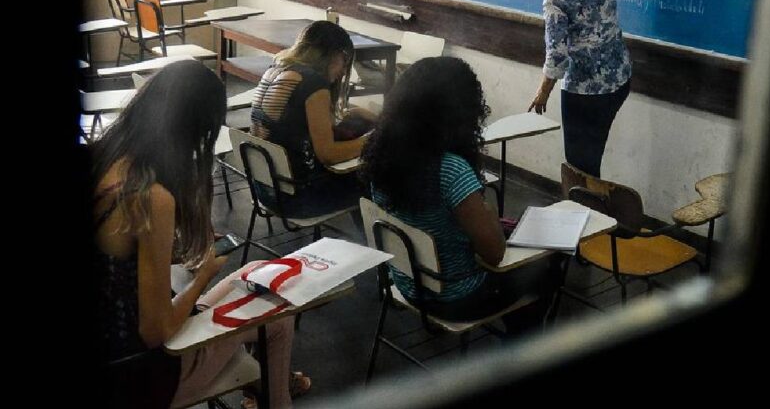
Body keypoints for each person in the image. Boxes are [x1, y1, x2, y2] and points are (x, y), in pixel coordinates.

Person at [91, 60, 307, 409]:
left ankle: (265, 389)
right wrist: (202, 276)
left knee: (252, 278)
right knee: (278, 318)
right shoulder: (149, 196)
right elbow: (155, 332)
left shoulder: (102, 158)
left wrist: (169, 252)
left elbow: (116, 258)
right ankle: (275, 397)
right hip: (139, 378)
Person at [361, 57, 560, 334]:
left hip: (410, 283)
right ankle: (520, 350)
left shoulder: (381, 155)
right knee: (550, 265)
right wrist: (485, 209)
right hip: (459, 297)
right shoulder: (450, 169)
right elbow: (495, 253)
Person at [529, 0, 635, 177]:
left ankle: (589, 213)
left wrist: (543, 92)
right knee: (591, 159)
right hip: (620, 81)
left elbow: (557, 56)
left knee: (580, 168)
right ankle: (594, 208)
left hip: (585, 93)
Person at [250, 20, 376, 217]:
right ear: (336, 55)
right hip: (297, 198)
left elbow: (293, 120)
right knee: (374, 176)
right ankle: (373, 243)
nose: (344, 71)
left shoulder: (276, 69)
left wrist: (354, 113)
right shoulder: (313, 83)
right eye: (345, 62)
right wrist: (372, 141)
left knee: (355, 130)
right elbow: (328, 154)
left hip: (266, 188)